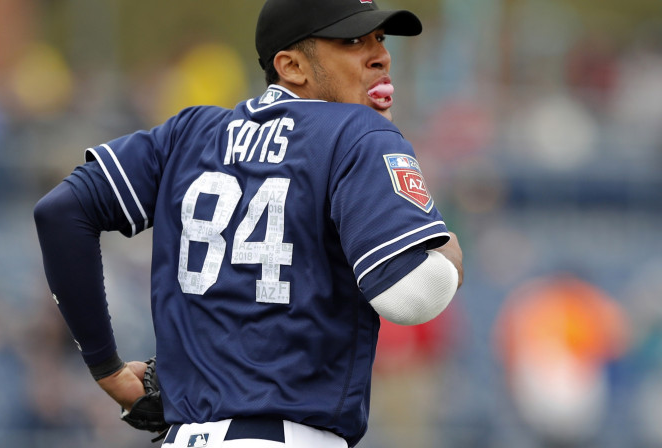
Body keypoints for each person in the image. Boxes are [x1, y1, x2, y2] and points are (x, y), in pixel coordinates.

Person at [33, 0, 464, 446]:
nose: (380, 55)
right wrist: (449, 250)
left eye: (379, 38)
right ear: (291, 65)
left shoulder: (189, 132)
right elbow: (411, 296)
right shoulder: (355, 132)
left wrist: (107, 368)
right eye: (352, 40)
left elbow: (62, 212)